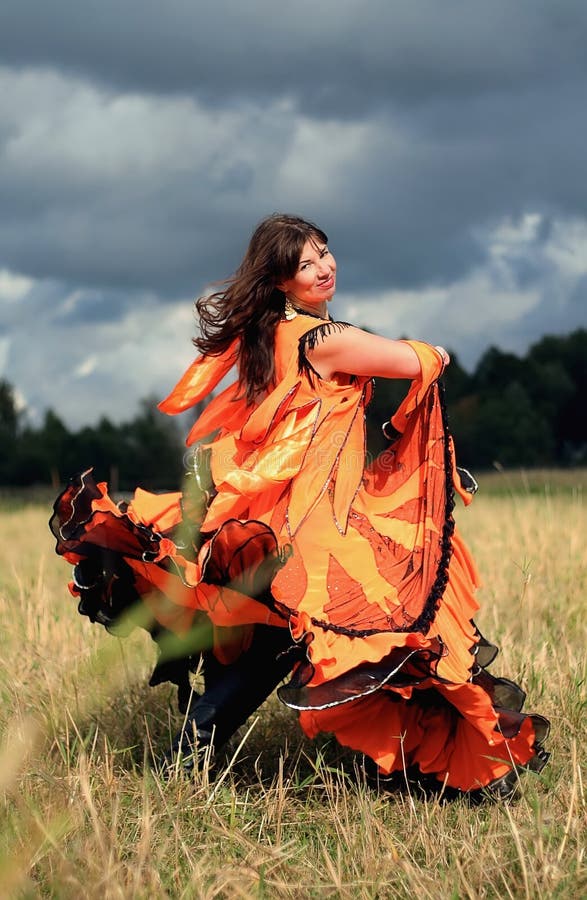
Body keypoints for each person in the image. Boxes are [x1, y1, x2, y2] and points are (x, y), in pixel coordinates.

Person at [50, 213, 549, 797]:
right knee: (389, 636)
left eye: (324, 252)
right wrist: (435, 350)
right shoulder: (323, 340)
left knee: (288, 649)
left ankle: (195, 765)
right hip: (316, 530)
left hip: (290, 522)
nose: (323, 267)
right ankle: (437, 766)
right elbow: (415, 361)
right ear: (281, 281)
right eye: (305, 264)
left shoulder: (271, 338)